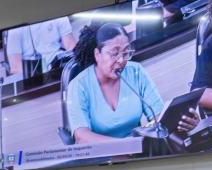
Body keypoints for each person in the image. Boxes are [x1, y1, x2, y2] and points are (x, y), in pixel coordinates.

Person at [67, 24, 199, 143]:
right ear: (97, 54)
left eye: (126, 53)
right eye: (115, 53)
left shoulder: (136, 72)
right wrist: (124, 146)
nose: (121, 60)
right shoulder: (78, 86)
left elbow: (158, 117)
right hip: (100, 156)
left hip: (137, 151)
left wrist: (182, 122)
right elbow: (82, 136)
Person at [5, 17, 76, 80]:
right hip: (33, 78)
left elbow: (71, 48)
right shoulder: (15, 30)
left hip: (60, 72)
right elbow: (15, 68)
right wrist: (38, 75)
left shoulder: (58, 14)